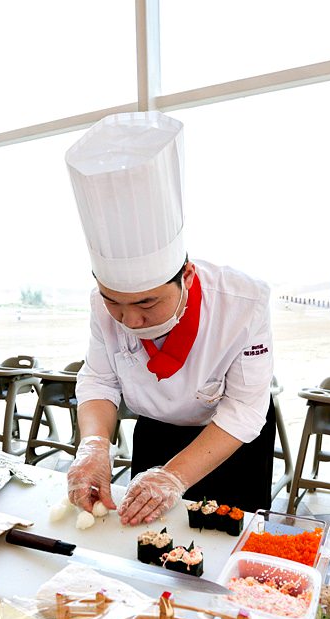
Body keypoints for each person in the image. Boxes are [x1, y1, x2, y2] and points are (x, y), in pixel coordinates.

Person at [64, 111, 276, 526]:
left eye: (147, 303)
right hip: (157, 432)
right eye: (115, 301)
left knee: (226, 554)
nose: (131, 320)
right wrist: (93, 445)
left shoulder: (244, 302)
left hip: (229, 440)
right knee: (146, 538)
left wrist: (175, 476)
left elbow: (244, 409)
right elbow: (99, 380)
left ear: (187, 276)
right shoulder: (100, 305)